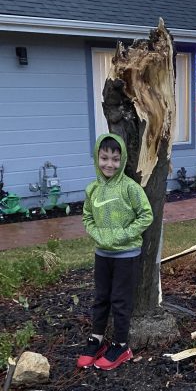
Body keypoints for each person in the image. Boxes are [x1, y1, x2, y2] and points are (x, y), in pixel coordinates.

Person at [76, 133, 153, 370]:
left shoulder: (130, 188)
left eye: (115, 159)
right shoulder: (93, 189)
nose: (109, 164)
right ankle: (97, 339)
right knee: (101, 298)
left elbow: (146, 215)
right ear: (97, 158)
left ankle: (121, 345)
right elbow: (87, 217)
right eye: (104, 158)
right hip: (102, 253)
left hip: (126, 255)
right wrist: (99, 236)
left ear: (122, 160)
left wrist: (121, 235)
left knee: (120, 300)